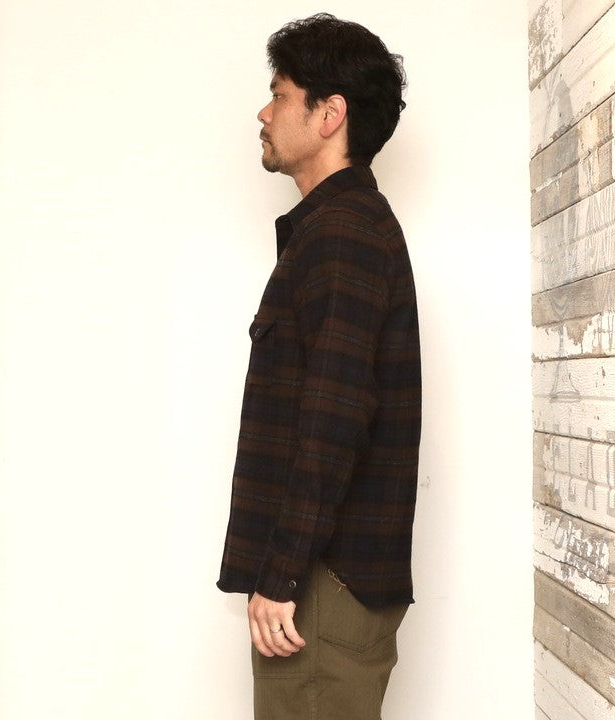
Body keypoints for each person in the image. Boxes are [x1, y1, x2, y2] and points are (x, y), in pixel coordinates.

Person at [217, 13, 421, 720]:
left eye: (279, 94)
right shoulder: (339, 230)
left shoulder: (342, 236)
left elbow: (334, 420)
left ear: (329, 115)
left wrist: (281, 573)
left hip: (320, 590)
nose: (264, 113)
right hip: (324, 584)